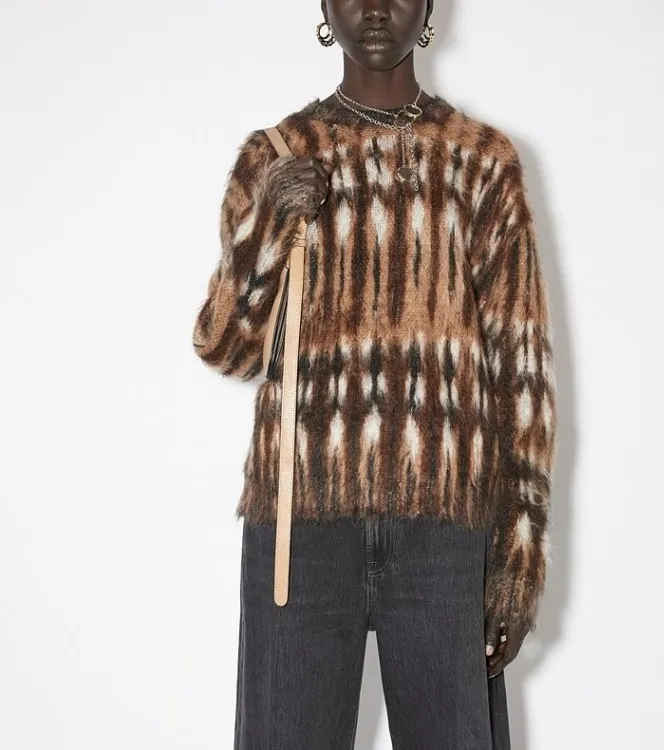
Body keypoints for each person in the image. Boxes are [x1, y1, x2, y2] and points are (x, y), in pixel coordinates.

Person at [192, 1, 557, 747]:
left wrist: (519, 550)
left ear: (429, 6)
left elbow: (520, 365)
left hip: (444, 528)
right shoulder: (277, 155)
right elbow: (226, 347)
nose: (378, 7)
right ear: (325, 8)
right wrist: (269, 224)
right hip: (300, 523)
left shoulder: (481, 162)